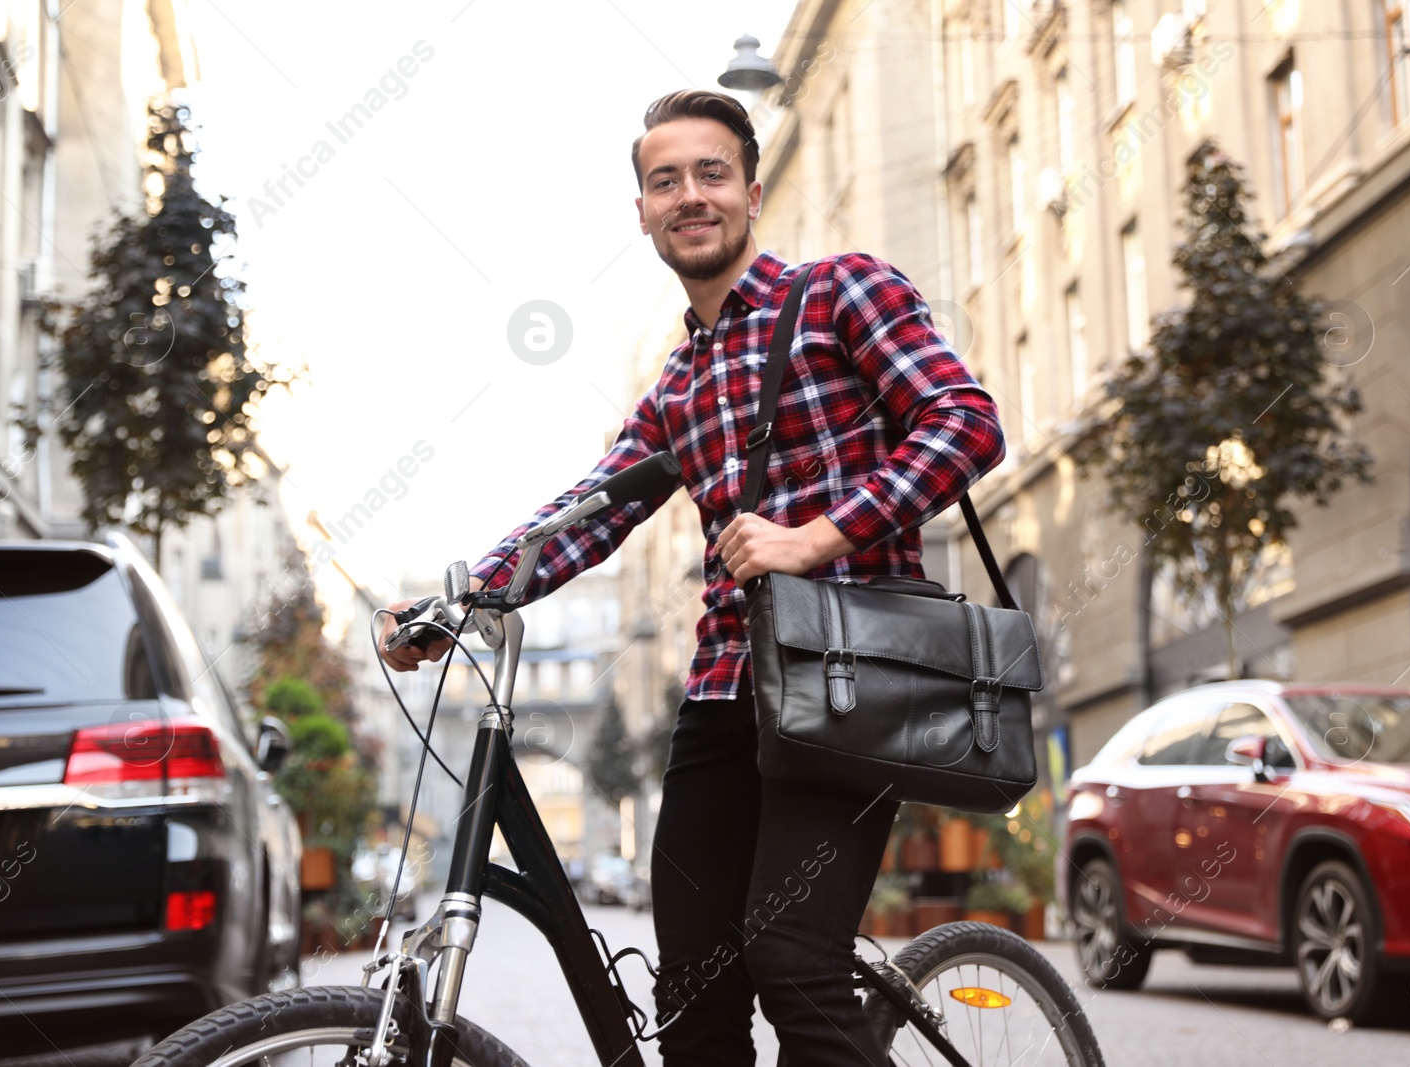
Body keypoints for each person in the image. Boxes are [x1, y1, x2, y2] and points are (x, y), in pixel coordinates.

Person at [379, 89, 1005, 1066]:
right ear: (643, 213)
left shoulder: (843, 290)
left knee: (794, 961)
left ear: (751, 191)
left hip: (849, 680)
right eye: (664, 180)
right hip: (723, 696)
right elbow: (587, 512)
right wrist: (455, 600)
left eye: (710, 173)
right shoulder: (677, 384)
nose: (689, 195)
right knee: (692, 989)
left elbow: (964, 421)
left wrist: (817, 535)